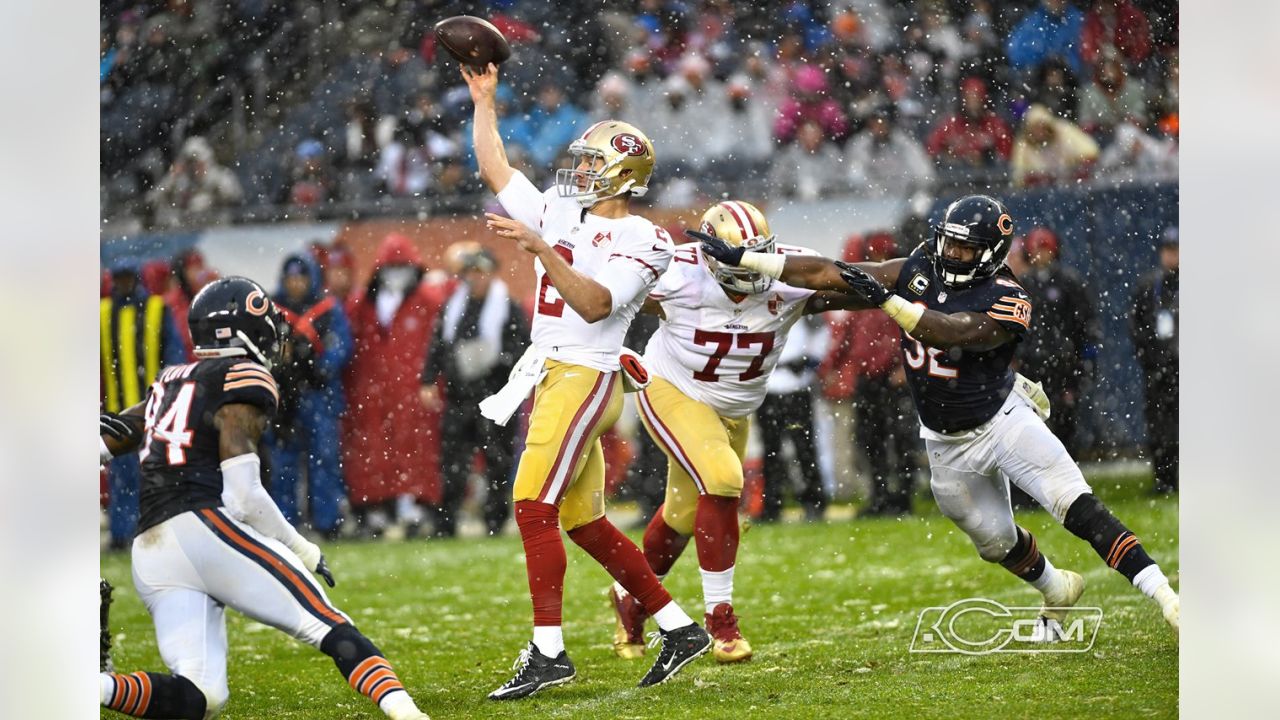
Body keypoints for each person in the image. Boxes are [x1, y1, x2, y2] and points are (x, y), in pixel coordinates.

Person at [698, 194, 1180, 637]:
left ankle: (1166, 597)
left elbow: (950, 332)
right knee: (994, 543)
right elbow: (829, 273)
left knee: (1074, 504)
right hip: (945, 440)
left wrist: (888, 299)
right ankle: (1056, 588)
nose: (951, 254)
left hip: (1002, 420)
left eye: (965, 248)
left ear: (991, 253)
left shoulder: (1010, 298)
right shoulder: (922, 265)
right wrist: (747, 261)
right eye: (947, 241)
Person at [463, 61, 710, 699]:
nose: (576, 169)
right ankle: (679, 628)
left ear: (620, 173)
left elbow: (598, 304)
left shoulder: (642, 236)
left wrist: (541, 249)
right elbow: (495, 169)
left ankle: (549, 651)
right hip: (556, 374)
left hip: (587, 373)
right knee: (582, 521)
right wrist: (483, 100)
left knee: (529, 504)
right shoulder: (557, 210)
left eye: (589, 161)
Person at [96, 277, 429, 720]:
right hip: (200, 528)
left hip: (150, 550)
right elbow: (245, 496)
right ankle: (410, 714)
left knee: (202, 697)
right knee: (326, 624)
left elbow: (110, 436)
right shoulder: (243, 376)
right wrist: (302, 548)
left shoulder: (169, 380)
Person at [611, 201, 865, 664]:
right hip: (674, 390)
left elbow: (858, 283)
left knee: (684, 514)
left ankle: (630, 597)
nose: (749, 270)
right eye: (735, 258)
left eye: (757, 255)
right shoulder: (677, 274)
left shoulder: (788, 272)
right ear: (709, 256)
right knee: (725, 479)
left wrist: (924, 276)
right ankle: (721, 620)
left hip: (734, 408)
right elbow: (607, 299)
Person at [419, 245, 529, 537]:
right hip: (459, 396)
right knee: (453, 462)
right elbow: (438, 345)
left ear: (492, 274)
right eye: (471, 272)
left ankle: (494, 520)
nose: (476, 278)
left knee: (497, 461)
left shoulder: (508, 307)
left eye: (481, 272)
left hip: (495, 395)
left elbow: (521, 350)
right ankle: (446, 522)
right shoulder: (454, 306)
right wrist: (429, 379)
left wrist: (497, 361)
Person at [343, 233, 448, 537]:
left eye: (403, 266)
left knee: (414, 449)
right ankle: (376, 509)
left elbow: (438, 346)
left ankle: (412, 508)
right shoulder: (362, 304)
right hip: (373, 393)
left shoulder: (428, 302)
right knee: (373, 451)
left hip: (412, 391)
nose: (397, 274)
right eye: (392, 267)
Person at [101, 259, 187, 549]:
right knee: (122, 476)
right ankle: (123, 535)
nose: (124, 284)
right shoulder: (102, 313)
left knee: (153, 476)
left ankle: (153, 533)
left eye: (128, 277)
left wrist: (170, 396)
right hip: (117, 411)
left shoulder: (156, 309)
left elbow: (174, 358)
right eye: (119, 278)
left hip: (154, 408)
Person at [270, 253, 354, 539]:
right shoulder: (272, 309)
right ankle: (285, 525)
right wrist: (282, 366)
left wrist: (322, 367)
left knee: (325, 460)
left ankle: (327, 522)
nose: (295, 284)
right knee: (284, 462)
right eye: (290, 278)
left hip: (320, 395)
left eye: (300, 277)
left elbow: (342, 345)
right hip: (285, 398)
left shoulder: (327, 308)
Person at [1017, 227, 1101, 458]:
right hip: (1032, 366)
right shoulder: (1022, 285)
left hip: (1064, 366)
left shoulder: (1069, 282)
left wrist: (1085, 359)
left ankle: (1066, 479)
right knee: (1032, 425)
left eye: (1044, 249)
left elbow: (1086, 324)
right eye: (1035, 250)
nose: (1040, 255)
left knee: (1065, 422)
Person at [1131, 228, 1178, 493]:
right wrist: (1151, 358)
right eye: (1168, 250)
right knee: (1159, 425)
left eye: (1176, 249)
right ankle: (1164, 479)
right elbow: (1136, 325)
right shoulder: (1149, 286)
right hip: (1157, 369)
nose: (1172, 255)